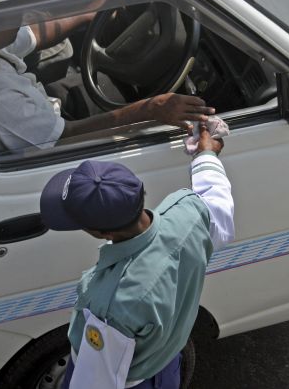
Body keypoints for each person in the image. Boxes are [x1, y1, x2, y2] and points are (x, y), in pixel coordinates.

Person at [39, 124, 234, 389]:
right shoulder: (187, 212)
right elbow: (214, 198)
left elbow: (97, 378)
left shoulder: (113, 305)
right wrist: (206, 154)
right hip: (166, 364)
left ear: (102, 233)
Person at [0, 13, 214, 155]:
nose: (20, 17)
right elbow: (66, 139)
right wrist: (150, 109)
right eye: (13, 16)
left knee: (102, 83)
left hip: (42, 109)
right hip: (59, 140)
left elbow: (34, 34)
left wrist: (90, 13)